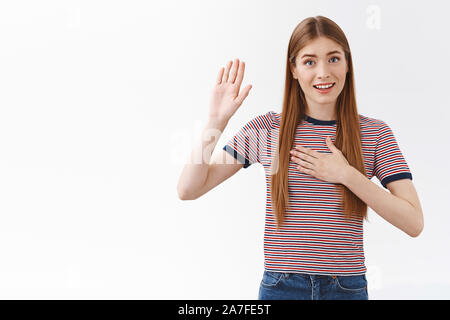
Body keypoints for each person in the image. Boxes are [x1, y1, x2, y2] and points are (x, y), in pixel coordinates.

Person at [177, 16, 424, 300]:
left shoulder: (373, 133)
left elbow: (413, 222)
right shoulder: (268, 129)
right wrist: (215, 121)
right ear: (293, 69)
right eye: (309, 62)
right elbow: (189, 189)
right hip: (281, 288)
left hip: (345, 288)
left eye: (333, 59)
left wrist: (348, 175)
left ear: (347, 64)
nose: (323, 72)